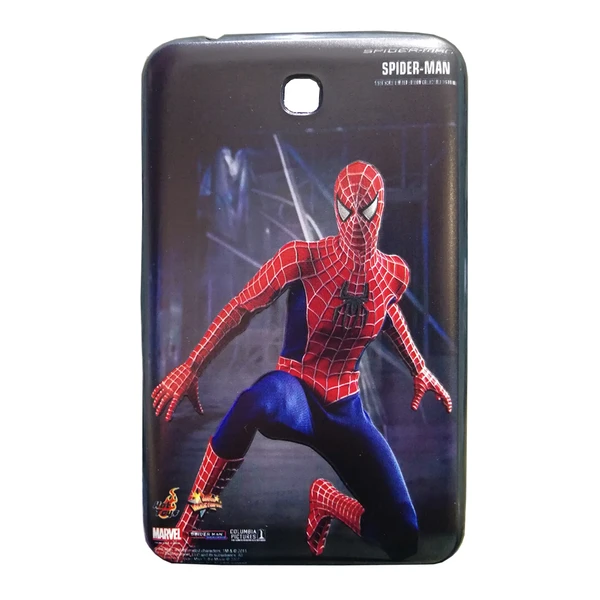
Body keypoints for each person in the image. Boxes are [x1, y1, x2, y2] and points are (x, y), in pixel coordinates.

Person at [151, 161, 452, 562]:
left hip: (346, 411)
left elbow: (387, 311)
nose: (355, 222)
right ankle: (186, 529)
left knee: (403, 536)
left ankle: (328, 501)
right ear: (335, 208)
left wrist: (418, 366)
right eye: (346, 210)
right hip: (297, 395)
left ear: (380, 208)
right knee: (254, 403)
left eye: (365, 210)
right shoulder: (303, 258)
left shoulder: (393, 273)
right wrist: (192, 366)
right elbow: (242, 308)